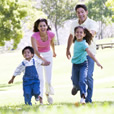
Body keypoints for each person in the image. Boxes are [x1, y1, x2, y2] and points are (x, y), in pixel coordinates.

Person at [66, 4, 99, 103]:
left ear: (86, 12)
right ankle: (76, 86)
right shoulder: (73, 24)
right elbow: (71, 36)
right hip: (78, 56)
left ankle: (87, 99)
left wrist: (81, 32)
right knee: (75, 78)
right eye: (78, 12)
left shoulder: (92, 23)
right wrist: (67, 49)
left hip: (89, 53)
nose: (80, 14)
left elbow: (92, 33)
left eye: (82, 12)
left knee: (88, 76)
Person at [70, 26, 103, 104]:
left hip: (83, 65)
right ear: (74, 33)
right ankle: (76, 87)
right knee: (74, 80)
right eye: (77, 32)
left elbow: (90, 54)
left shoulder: (84, 44)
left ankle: (83, 97)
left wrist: (97, 62)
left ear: (84, 34)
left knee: (82, 80)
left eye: (81, 32)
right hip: (75, 65)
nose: (79, 34)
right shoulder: (75, 42)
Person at [31, 18, 56, 104]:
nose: (42, 27)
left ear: (47, 26)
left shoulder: (51, 34)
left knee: (48, 79)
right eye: (40, 26)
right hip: (37, 56)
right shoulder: (34, 36)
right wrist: (43, 60)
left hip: (48, 54)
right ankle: (40, 97)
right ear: (37, 27)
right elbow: (36, 51)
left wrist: (54, 52)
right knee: (40, 78)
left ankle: (47, 93)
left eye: (44, 25)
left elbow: (52, 43)